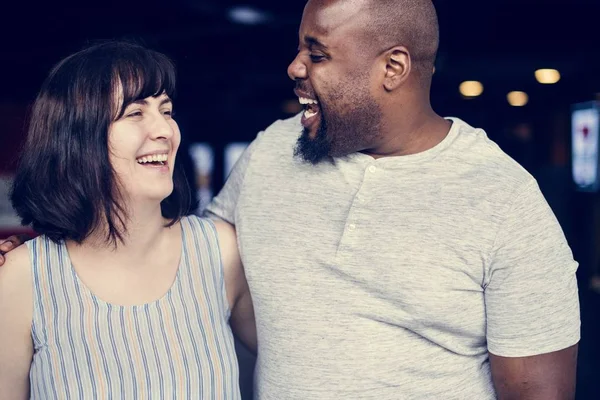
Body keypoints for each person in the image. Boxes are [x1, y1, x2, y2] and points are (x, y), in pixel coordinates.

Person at [1, 0, 580, 399]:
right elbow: (162, 249)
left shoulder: (506, 203)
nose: (294, 67)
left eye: (318, 53)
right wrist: (31, 254)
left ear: (393, 68)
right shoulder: (274, 153)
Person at [0, 41, 255, 399]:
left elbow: (306, 358)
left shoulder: (220, 251)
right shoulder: (23, 278)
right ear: (77, 138)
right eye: (135, 113)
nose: (165, 131)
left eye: (166, 111)